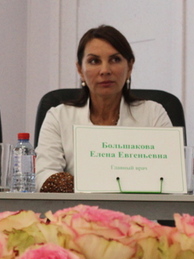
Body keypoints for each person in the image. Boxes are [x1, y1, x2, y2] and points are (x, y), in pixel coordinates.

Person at [35, 25, 173, 192]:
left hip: (139, 208)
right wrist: (85, 189)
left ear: (130, 67)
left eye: (115, 60)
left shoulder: (153, 114)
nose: (105, 70)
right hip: (76, 208)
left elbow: (169, 178)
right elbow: (44, 175)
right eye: (94, 61)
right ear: (80, 69)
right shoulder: (58, 117)